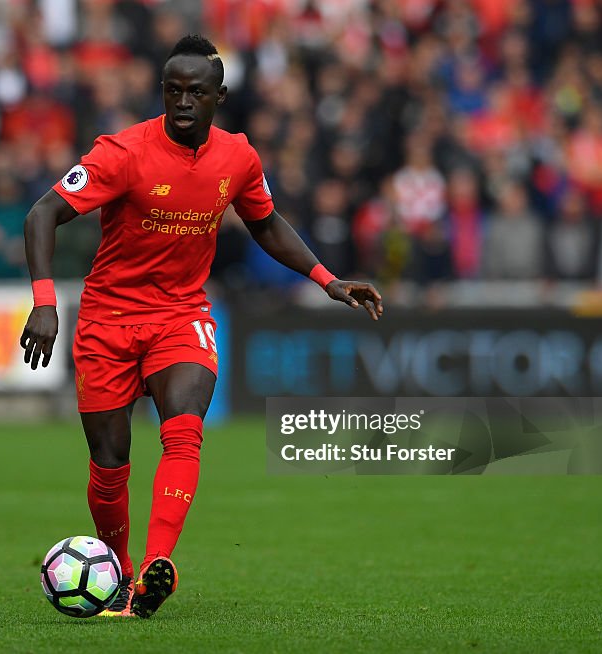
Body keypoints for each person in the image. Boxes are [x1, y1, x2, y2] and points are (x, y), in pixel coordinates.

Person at [19, 35, 383, 619]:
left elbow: (266, 225)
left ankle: (158, 564)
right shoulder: (122, 152)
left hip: (181, 316)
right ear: (162, 91)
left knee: (184, 429)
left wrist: (327, 279)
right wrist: (44, 302)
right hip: (108, 318)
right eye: (173, 90)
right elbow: (44, 212)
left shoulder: (238, 157)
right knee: (110, 462)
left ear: (219, 97)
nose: (183, 101)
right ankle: (119, 575)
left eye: (196, 92)